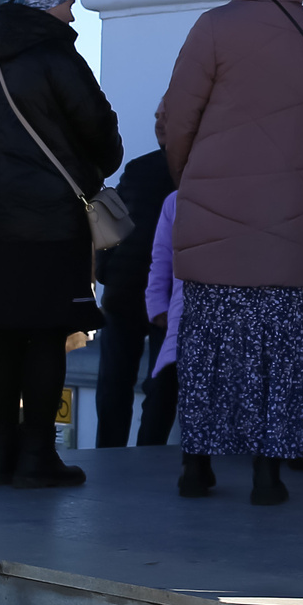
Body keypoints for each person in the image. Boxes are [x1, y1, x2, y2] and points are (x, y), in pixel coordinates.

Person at [155, 0, 303, 503]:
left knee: (209, 345)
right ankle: (268, 475)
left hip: (213, 214)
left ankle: (197, 466)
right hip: (289, 219)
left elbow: (175, 120)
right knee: (278, 351)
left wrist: (194, 180)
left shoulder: (214, 27)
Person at [0, 0, 122, 487]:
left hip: (1, 211)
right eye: (66, 2)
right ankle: (37, 456)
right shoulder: (57, 53)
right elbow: (97, 123)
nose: (71, 12)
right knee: (48, 333)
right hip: (54, 214)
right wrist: (100, 161)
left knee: (9, 332)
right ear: (44, 4)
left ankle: (0, 456)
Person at [94, 147, 175, 446]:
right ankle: (146, 454)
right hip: (147, 292)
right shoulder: (192, 170)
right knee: (159, 384)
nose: (160, 125)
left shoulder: (140, 168)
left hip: (128, 289)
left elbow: (113, 218)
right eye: (158, 118)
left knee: (121, 382)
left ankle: (111, 452)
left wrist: (107, 270)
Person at [142, 187, 189, 454]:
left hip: (195, 311)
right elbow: (161, 257)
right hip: (178, 313)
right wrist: (158, 304)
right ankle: (148, 452)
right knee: (162, 387)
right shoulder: (176, 200)